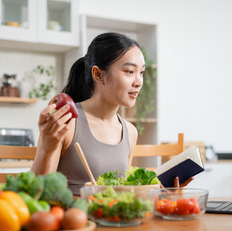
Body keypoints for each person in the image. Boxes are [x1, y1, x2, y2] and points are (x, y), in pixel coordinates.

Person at [31, 32, 191, 195]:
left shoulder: (130, 131)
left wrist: (161, 192)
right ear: (98, 75)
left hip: (113, 219)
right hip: (74, 217)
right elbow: (36, 192)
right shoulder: (67, 122)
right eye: (129, 71)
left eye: (141, 72)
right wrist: (46, 146)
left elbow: (123, 193)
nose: (138, 82)